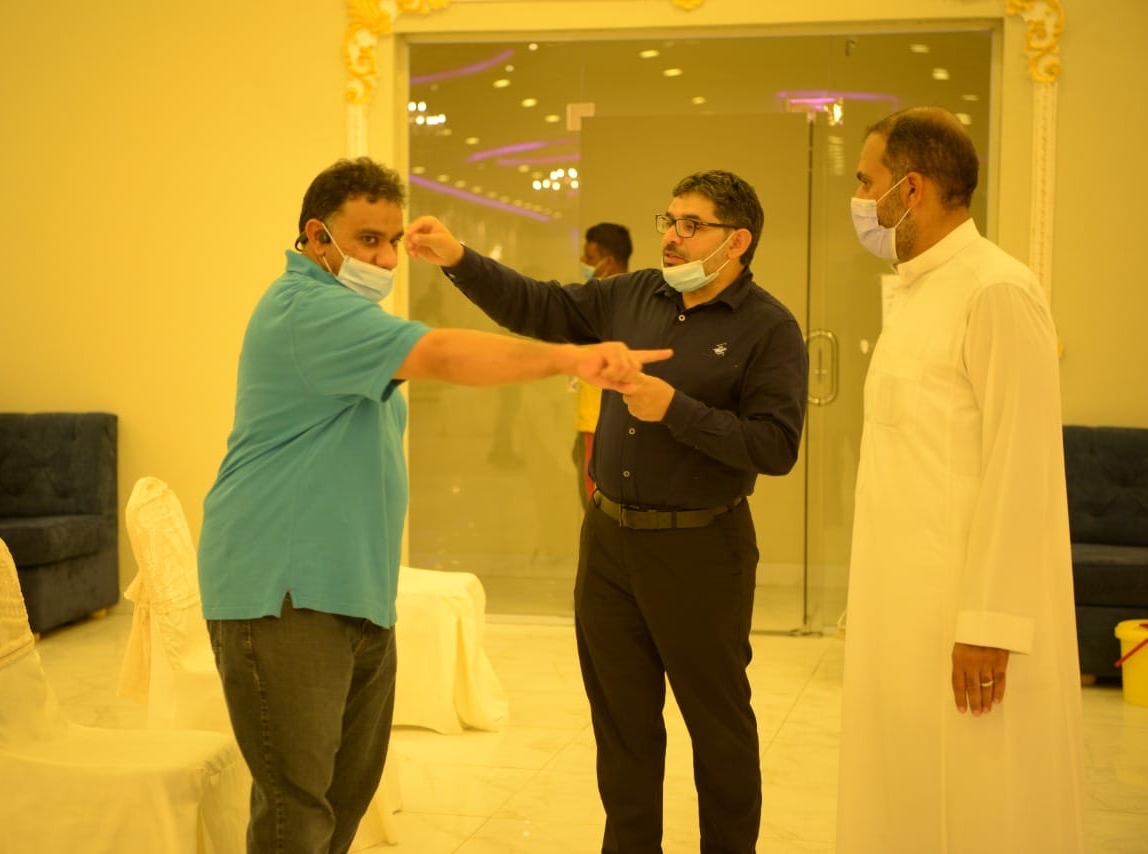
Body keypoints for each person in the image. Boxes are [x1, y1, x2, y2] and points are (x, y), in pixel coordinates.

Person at [197, 156, 670, 854]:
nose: (386, 259)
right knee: (297, 814)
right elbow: (442, 353)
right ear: (317, 237)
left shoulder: (350, 315)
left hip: (353, 593)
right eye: (367, 240)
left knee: (343, 801)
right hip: (284, 593)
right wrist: (572, 358)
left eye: (392, 241)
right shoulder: (305, 308)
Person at [405, 170, 809, 853]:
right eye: (669, 220)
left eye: (691, 225)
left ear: (737, 241)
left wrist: (674, 409)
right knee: (622, 730)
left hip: (701, 551)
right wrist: (459, 259)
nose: (671, 236)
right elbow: (539, 306)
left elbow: (775, 446)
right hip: (610, 544)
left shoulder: (768, 328)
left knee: (718, 731)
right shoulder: (634, 294)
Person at [838, 107, 1085, 852]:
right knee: (907, 790)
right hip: (901, 607)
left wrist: (988, 623)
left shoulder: (997, 290)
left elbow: (1024, 465)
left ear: (910, 189)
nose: (859, 200)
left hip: (962, 618)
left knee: (978, 800)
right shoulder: (917, 290)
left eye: (867, 182)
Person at [572, 222, 632, 504]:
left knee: (597, 507)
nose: (583, 261)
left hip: (599, 426)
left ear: (608, 263)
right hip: (593, 423)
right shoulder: (601, 301)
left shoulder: (618, 306)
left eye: (590, 257)